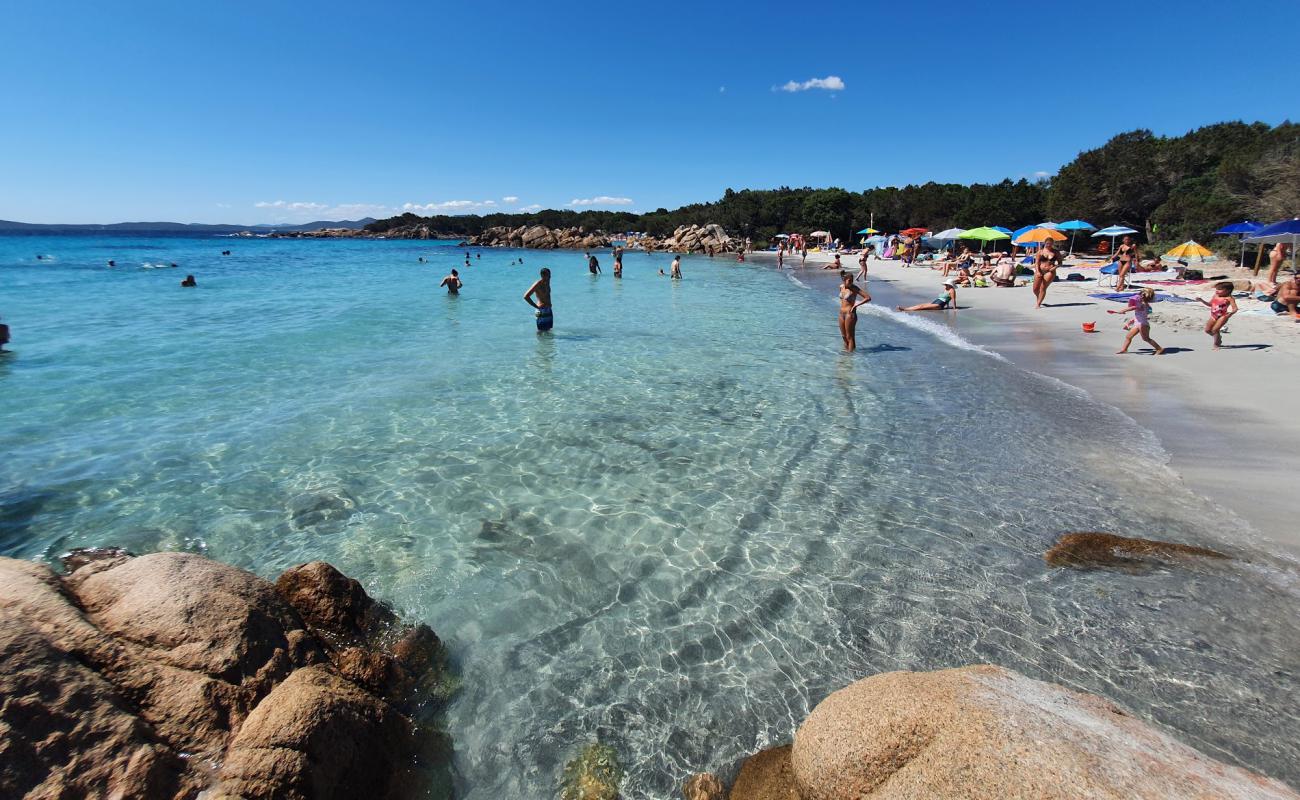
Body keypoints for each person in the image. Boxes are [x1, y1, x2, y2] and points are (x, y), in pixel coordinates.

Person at [1111, 287, 1164, 355]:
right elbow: (1139, 316)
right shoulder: (1145, 305)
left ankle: (1159, 348)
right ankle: (1124, 349)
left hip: (1143, 324)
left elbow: (1133, 307)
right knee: (1128, 337)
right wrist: (1130, 322)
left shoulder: (1142, 305)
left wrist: (1121, 311)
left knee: (1146, 339)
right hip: (1138, 323)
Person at [1196, 281, 1238, 348]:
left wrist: (1230, 314)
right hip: (1213, 316)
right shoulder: (1215, 296)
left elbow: (1235, 308)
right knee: (1207, 330)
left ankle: (1216, 344)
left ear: (1228, 290)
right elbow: (1210, 304)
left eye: (1220, 289)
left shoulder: (1229, 298)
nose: (1217, 291)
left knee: (1215, 330)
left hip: (1223, 316)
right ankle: (1218, 337)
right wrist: (1201, 300)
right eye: (1216, 289)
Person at [838, 272, 872, 351]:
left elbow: (868, 297)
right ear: (844, 280)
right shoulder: (841, 287)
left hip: (850, 314)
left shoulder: (854, 288)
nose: (851, 282)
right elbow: (843, 299)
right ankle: (846, 354)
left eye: (852, 280)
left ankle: (850, 358)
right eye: (849, 280)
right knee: (844, 336)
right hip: (841, 314)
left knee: (850, 337)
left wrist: (856, 305)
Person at [1032, 240, 1062, 308]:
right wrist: (1038, 271)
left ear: (1052, 244)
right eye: (1047, 243)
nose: (1049, 245)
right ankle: (1039, 298)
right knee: (1035, 289)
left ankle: (1038, 304)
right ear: (1045, 243)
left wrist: (1055, 267)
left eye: (1051, 243)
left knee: (1043, 288)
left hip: (1050, 271)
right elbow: (1036, 263)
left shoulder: (1056, 252)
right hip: (1039, 270)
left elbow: (1060, 263)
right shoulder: (1040, 251)